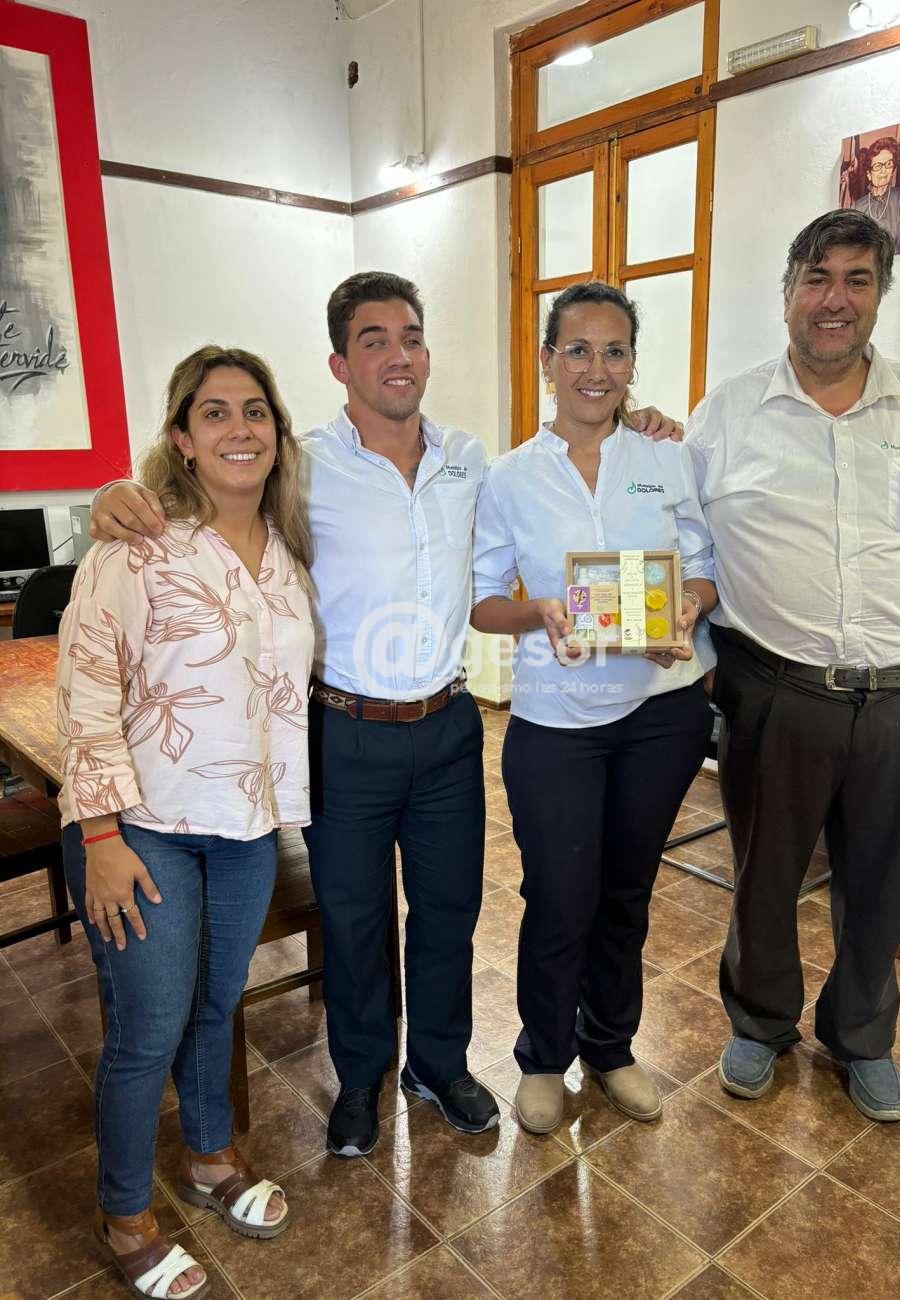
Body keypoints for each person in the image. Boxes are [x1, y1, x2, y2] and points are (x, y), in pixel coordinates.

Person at [88, 273, 681, 1159]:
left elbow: (563, 467)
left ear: (426, 354)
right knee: (355, 921)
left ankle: (438, 1066)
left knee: (448, 913)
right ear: (340, 363)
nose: (396, 356)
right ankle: (361, 1078)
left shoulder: (470, 461)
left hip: (446, 727)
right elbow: (210, 496)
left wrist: (643, 423)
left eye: (410, 337)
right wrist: (115, 496)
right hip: (343, 733)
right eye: (373, 340)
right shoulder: (299, 465)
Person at [685, 209, 900, 1122]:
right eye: (815, 278)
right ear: (785, 296)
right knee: (764, 879)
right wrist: (708, 668)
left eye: (855, 279)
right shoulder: (727, 414)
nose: (833, 299)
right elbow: (685, 546)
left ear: (880, 295)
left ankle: (861, 1038)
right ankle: (760, 1021)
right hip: (775, 693)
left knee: (879, 887)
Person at [59, 346, 314, 1297]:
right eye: (215, 412)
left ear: (277, 433)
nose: (239, 428)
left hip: (246, 827)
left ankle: (210, 1159)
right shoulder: (135, 548)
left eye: (256, 410)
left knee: (218, 1003)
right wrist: (99, 837)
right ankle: (125, 1212)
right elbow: (85, 694)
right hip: (144, 827)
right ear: (182, 437)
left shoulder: (288, 551)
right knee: (149, 1025)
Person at [470, 281, 718, 1134]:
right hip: (555, 721)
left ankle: (609, 1047)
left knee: (625, 893)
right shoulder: (509, 477)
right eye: (577, 349)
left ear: (631, 364)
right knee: (558, 896)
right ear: (548, 360)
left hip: (662, 714)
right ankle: (543, 1057)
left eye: (614, 351)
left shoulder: (666, 457)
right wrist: (538, 612)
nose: (595, 368)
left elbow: (702, 567)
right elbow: (482, 604)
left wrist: (686, 608)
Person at [852, 136, 900, 254]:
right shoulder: (858, 207)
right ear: (869, 174)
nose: (883, 170)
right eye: (878, 166)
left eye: (888, 164)